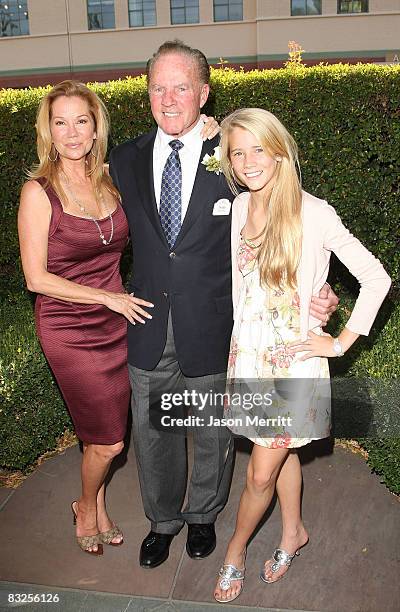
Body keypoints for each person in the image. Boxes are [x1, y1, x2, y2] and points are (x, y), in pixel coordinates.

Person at [109, 40, 338, 569]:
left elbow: (289, 226)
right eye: (158, 88)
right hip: (145, 321)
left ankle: (204, 515)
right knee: (152, 429)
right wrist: (103, 291)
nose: (169, 99)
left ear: (204, 94)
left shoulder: (233, 162)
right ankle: (162, 521)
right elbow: (101, 231)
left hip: (213, 326)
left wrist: (318, 293)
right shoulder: (123, 158)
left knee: (212, 430)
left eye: (181, 87)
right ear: (146, 96)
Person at [17, 80, 218, 556]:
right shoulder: (38, 191)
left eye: (80, 121)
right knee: (108, 440)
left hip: (118, 320)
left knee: (107, 429)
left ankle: (101, 505)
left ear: (95, 127)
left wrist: (215, 131)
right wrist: (107, 300)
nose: (71, 133)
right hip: (70, 326)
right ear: (47, 131)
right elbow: (35, 278)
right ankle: (85, 507)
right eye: (59, 122)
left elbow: (177, 168)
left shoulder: (112, 175)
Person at [212, 108, 391, 603]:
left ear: (279, 151)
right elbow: (245, 293)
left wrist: (339, 341)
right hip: (249, 356)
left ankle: (235, 550)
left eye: (257, 149)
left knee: (259, 471)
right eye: (237, 151)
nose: (248, 161)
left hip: (292, 364)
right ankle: (293, 533)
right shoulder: (238, 207)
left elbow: (377, 278)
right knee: (280, 451)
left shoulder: (315, 212)